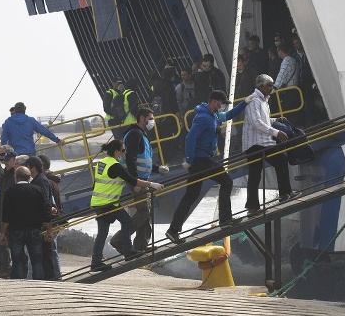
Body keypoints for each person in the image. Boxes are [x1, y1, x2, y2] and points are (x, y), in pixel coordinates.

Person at [165, 90, 249, 243]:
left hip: (202, 159)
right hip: (200, 160)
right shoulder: (204, 118)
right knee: (226, 181)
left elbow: (229, 115)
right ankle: (225, 220)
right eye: (221, 103)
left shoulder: (214, 116)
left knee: (191, 195)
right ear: (214, 102)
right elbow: (190, 137)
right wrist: (189, 158)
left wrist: (245, 103)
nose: (222, 106)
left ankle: (173, 230)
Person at [90, 139, 163, 270]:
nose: (125, 152)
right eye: (123, 150)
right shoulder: (115, 166)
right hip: (109, 203)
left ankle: (95, 263)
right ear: (116, 152)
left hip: (98, 203)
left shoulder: (101, 163)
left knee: (102, 233)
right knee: (127, 222)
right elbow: (132, 180)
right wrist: (152, 184)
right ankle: (128, 252)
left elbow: (97, 183)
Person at [242, 75, 297, 215]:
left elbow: (264, 120)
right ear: (261, 86)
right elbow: (256, 122)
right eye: (269, 86)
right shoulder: (254, 100)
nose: (271, 89)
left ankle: (283, 194)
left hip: (263, 142)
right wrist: (276, 132)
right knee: (256, 174)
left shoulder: (264, 101)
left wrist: (275, 120)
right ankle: (253, 207)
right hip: (255, 143)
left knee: (280, 162)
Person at [121, 108, 169, 253]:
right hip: (137, 179)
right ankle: (120, 240)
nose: (152, 121)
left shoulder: (141, 134)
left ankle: (141, 246)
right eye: (151, 118)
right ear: (142, 118)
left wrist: (157, 168)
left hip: (141, 178)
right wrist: (135, 180)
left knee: (145, 212)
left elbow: (144, 160)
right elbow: (130, 158)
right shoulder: (135, 134)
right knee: (144, 212)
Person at [0, 166, 52, 280]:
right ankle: (39, 285)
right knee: (37, 261)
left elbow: (5, 216)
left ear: (16, 177)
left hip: (15, 231)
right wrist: (49, 231)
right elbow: (46, 212)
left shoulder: (10, 191)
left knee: (17, 261)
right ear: (29, 178)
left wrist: (2, 234)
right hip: (34, 230)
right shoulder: (38, 190)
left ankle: (18, 286)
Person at [0, 102, 64, 156]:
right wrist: (57, 140)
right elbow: (44, 131)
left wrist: (6, 153)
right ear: (24, 109)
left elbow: (3, 139)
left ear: (15, 110)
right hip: (29, 152)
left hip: (15, 154)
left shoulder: (8, 122)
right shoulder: (30, 120)